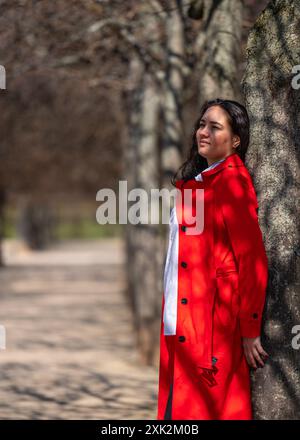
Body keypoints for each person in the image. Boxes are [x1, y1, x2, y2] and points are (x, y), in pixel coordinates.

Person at [156, 98, 269, 420]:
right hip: (181, 320)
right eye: (201, 124)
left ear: (236, 140)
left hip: (212, 328)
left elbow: (251, 259)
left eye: (214, 127)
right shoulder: (200, 183)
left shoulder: (231, 182)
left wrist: (250, 329)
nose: (203, 132)